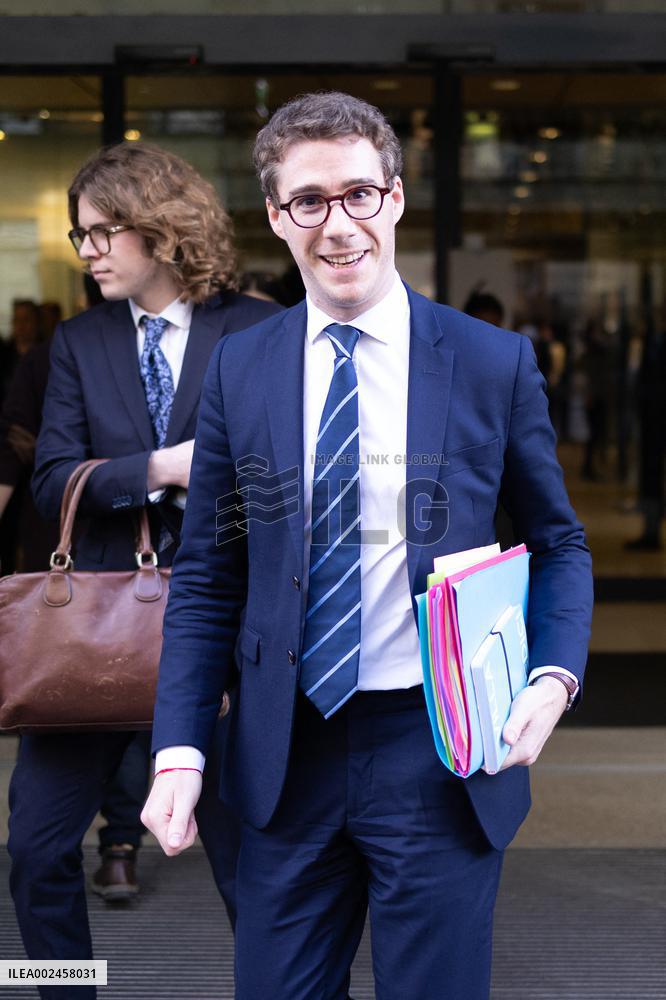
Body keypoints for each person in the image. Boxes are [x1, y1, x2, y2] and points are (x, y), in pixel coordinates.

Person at [142, 93, 593, 1000]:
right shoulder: (241, 368)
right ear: (277, 216)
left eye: (358, 194)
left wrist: (552, 677)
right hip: (283, 751)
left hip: (439, 748)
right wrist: (178, 750)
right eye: (309, 201)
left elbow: (560, 543)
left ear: (395, 198)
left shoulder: (490, 362)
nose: (338, 224)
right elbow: (209, 576)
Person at [6, 141, 280, 999]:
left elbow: (298, 474)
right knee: (35, 849)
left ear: (161, 229)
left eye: (102, 232)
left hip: (226, 633)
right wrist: (164, 466)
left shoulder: (262, 328)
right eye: (80, 234)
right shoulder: (79, 341)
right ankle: (66, 991)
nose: (86, 251)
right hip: (94, 634)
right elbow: (51, 479)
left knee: (251, 865)